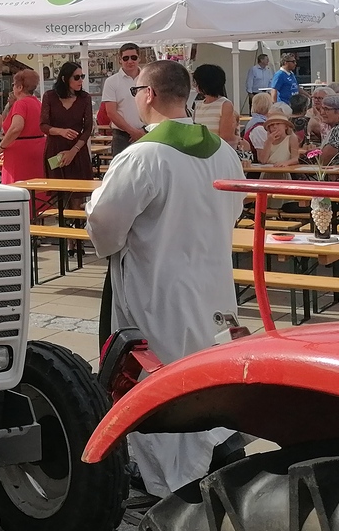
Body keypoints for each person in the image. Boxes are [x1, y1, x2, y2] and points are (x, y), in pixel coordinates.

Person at [85, 60, 245, 496]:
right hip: (212, 279)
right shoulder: (224, 152)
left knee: (159, 373)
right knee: (207, 366)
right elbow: (234, 210)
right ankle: (215, 452)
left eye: (135, 91)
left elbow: (105, 223)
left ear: (149, 94)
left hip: (158, 284)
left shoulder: (143, 155)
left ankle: (165, 477)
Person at [42, 64, 94, 178]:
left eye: (82, 76)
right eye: (76, 77)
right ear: (64, 78)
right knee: (56, 185)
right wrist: (61, 131)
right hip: (55, 148)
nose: (80, 80)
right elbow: (43, 125)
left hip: (77, 148)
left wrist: (73, 151)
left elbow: (88, 128)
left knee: (79, 187)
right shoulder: (49, 96)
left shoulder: (85, 98)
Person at [0, 69, 46, 187]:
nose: (13, 88)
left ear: (20, 87)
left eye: (14, 85)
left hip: (20, 153)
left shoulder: (20, 104)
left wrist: (1, 147)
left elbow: (16, 127)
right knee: (37, 188)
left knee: (18, 187)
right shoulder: (38, 103)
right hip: (39, 148)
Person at [100, 43, 144, 155]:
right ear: (120, 60)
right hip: (122, 136)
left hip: (145, 133)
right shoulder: (111, 82)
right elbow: (111, 112)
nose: (130, 61)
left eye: (133, 57)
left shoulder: (148, 79)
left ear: (139, 58)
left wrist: (144, 130)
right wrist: (132, 131)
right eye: (126, 58)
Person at [190, 64, 238, 145]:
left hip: (217, 149)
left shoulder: (225, 105)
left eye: (196, 82)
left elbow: (225, 137)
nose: (195, 85)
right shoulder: (198, 105)